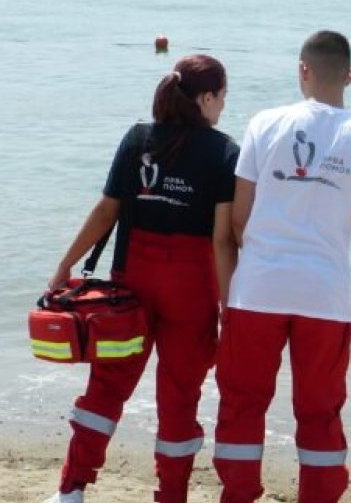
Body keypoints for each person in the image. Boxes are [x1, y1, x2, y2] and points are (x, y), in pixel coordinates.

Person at [42, 54, 238, 503]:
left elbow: (106, 210)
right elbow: (222, 238)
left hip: (131, 283)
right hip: (192, 288)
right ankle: (171, 496)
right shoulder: (226, 152)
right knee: (180, 397)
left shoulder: (137, 139)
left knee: (108, 385)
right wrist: (230, 305)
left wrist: (63, 267)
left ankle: (71, 490)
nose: (223, 106)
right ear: (206, 98)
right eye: (222, 97)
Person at [213, 31, 351, 503]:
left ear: (302, 70)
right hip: (326, 296)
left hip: (256, 289)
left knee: (242, 404)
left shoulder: (264, 122)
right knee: (320, 413)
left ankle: (237, 495)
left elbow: (238, 216)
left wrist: (252, 261)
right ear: (350, 76)